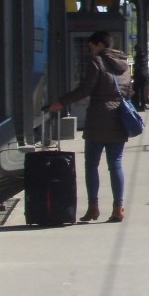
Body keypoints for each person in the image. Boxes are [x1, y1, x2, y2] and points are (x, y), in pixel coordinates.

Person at [47, 30, 132, 223]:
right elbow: (129, 91)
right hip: (119, 118)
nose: (90, 50)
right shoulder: (124, 64)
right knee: (116, 165)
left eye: (91, 46)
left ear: (100, 45)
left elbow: (85, 89)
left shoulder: (97, 61)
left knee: (91, 165)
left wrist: (61, 102)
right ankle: (118, 208)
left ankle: (93, 207)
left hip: (98, 119)